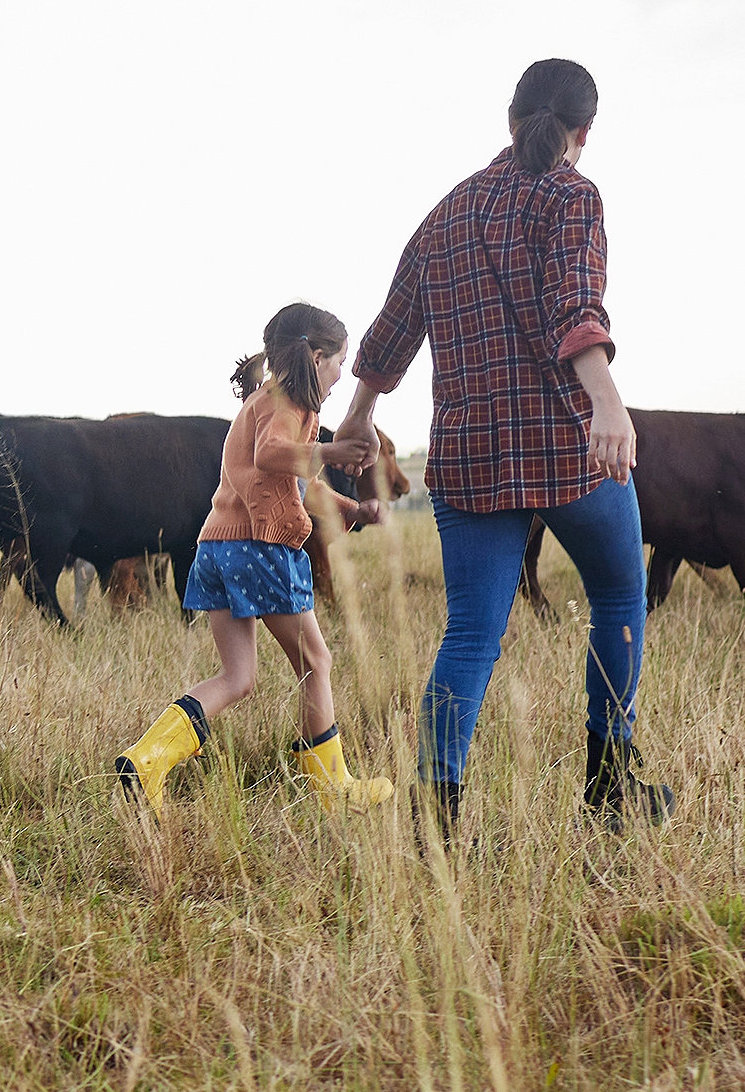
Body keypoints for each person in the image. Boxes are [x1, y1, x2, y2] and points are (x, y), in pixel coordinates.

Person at [331, 58, 666, 837]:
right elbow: (576, 304)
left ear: (507, 119)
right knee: (618, 596)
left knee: (472, 633)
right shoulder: (573, 195)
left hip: (468, 460)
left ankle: (437, 821)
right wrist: (607, 402)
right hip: (565, 448)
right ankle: (610, 787)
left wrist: (357, 415)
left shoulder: (447, 211)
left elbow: (390, 330)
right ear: (585, 131)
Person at [113, 303, 397, 816]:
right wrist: (332, 453)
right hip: (258, 550)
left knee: (237, 677)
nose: (341, 375)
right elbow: (272, 455)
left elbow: (295, 483)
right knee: (316, 662)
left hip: (217, 548)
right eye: (339, 362)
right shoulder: (288, 405)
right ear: (316, 356)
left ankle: (147, 759)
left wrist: (355, 510)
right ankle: (331, 787)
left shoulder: (267, 402)